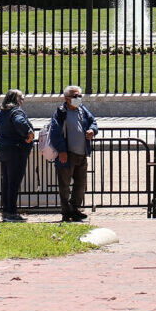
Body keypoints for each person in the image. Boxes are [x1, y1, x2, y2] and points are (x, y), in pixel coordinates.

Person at [47, 84, 98, 223]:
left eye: (79, 96)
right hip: (67, 155)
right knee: (64, 185)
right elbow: (55, 133)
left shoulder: (82, 110)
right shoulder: (60, 112)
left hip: (82, 154)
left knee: (80, 184)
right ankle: (66, 212)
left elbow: (93, 122)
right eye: (75, 96)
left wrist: (92, 130)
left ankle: (74, 209)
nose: (78, 99)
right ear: (66, 98)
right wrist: (62, 151)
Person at [0, 89, 35, 221]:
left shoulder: (2, 112)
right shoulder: (16, 111)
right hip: (15, 151)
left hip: (3, 150)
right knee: (14, 183)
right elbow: (19, 122)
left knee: (6, 182)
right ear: (16, 100)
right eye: (21, 98)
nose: (23, 100)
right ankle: (11, 213)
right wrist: (28, 133)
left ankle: (6, 211)